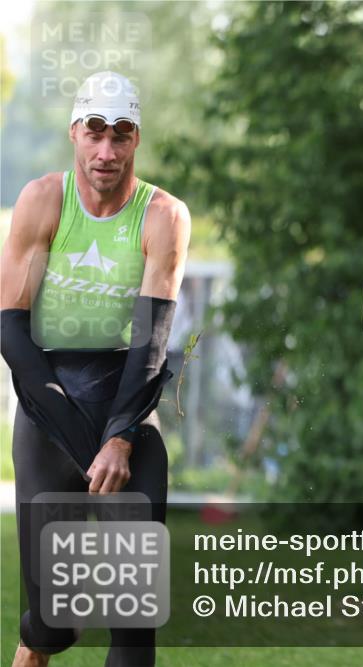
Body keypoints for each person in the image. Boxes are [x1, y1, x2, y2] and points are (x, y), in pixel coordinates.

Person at [1, 71, 190, 667]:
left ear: (137, 139)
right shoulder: (42, 199)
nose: (107, 151)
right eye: (95, 133)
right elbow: (10, 327)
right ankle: (37, 647)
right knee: (57, 615)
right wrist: (80, 437)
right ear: (75, 134)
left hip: (125, 406)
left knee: (133, 620)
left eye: (122, 135)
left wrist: (117, 437)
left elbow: (152, 341)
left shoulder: (163, 214)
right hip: (45, 408)